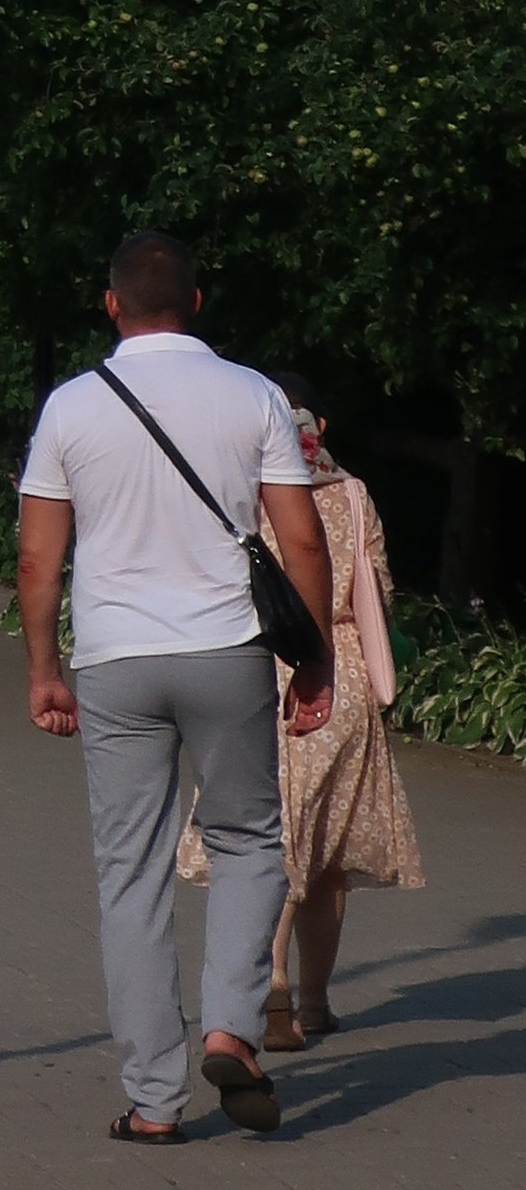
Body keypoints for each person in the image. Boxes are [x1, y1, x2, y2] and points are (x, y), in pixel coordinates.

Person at [17, 230, 334, 1145]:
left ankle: (154, 1103)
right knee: (247, 840)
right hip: (228, 650)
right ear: (197, 302)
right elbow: (302, 541)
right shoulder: (254, 396)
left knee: (131, 871)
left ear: (110, 305)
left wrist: (45, 669)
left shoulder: (72, 407)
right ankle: (234, 1022)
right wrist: (309, 658)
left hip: (114, 659)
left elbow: (40, 557)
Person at [177, 402, 424, 1046]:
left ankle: (274, 984)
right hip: (340, 673)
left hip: (263, 666)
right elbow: (382, 585)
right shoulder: (352, 493)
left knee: (273, 834)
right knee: (329, 853)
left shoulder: (245, 490)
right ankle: (314, 1001)